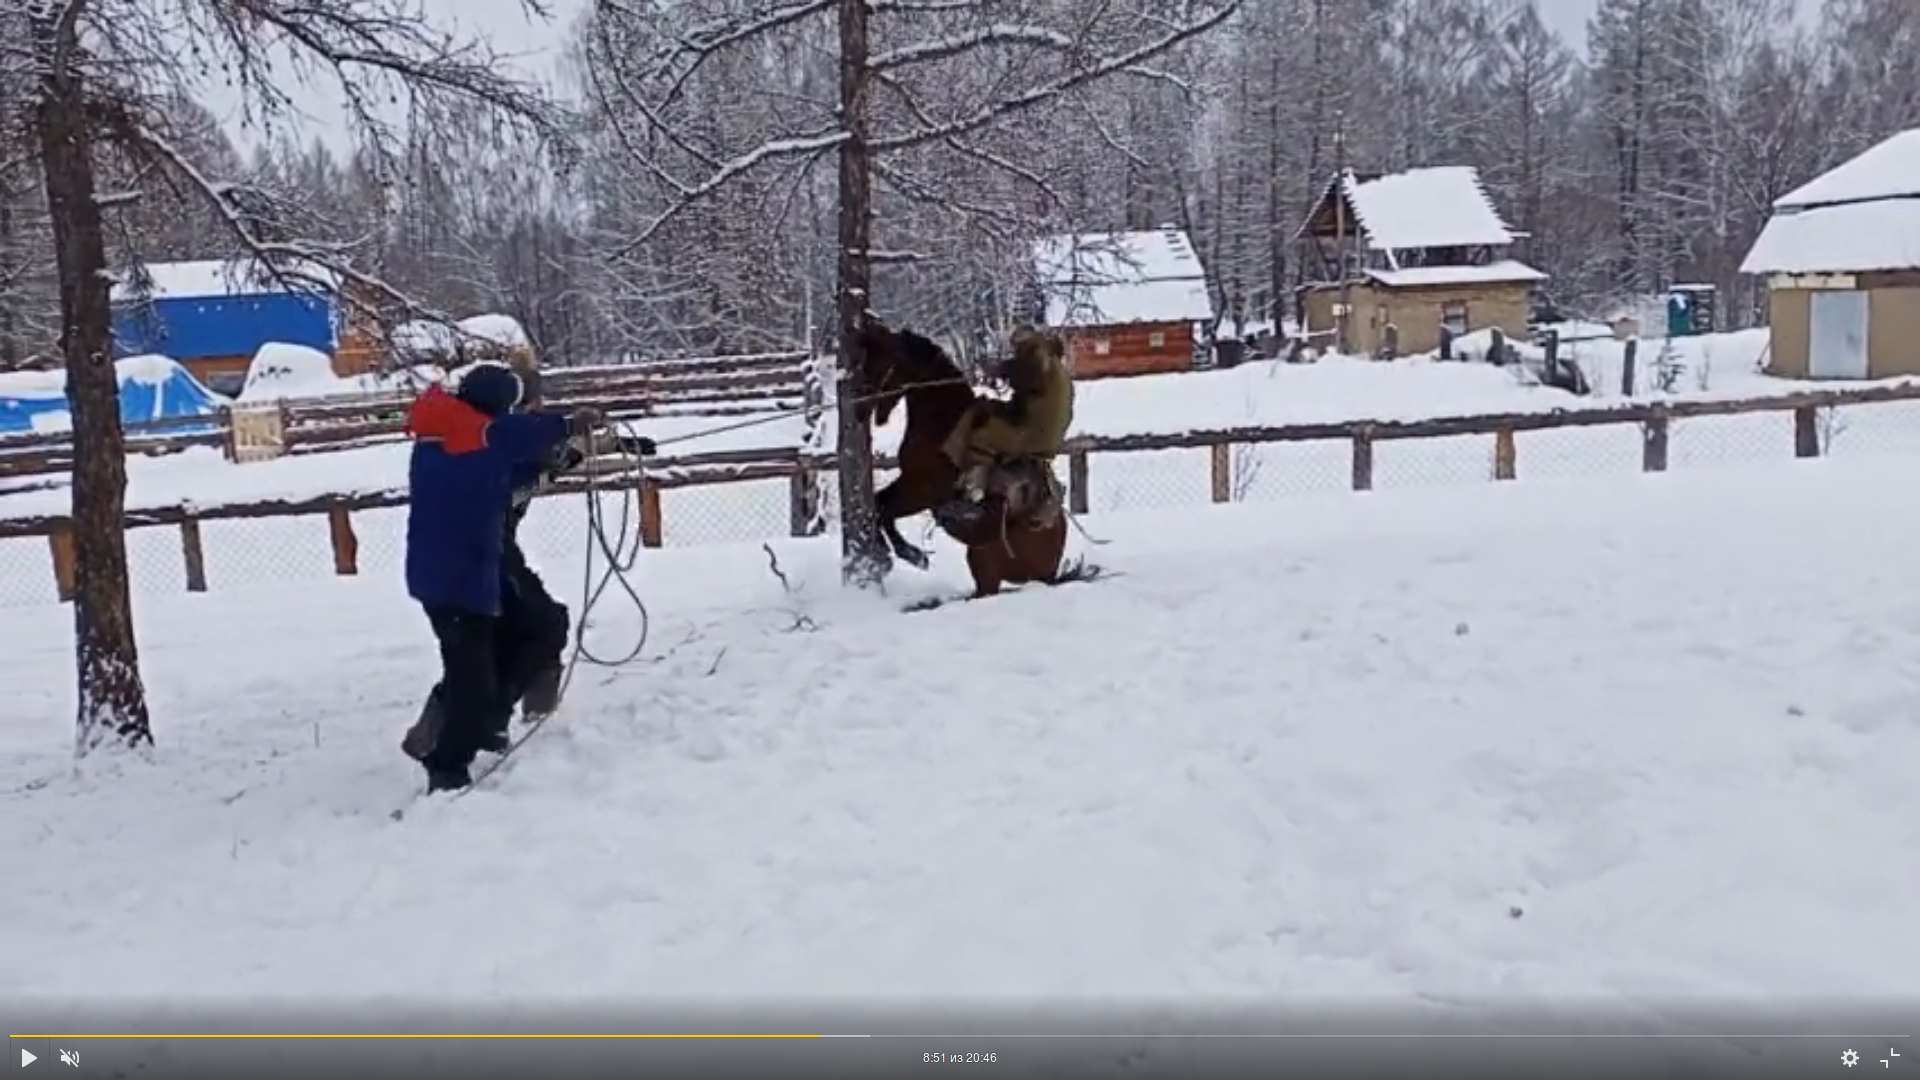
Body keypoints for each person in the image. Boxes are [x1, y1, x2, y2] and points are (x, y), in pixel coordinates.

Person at [400, 362, 597, 793]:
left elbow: (503, 473)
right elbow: (511, 438)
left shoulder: (458, 439)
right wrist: (568, 424)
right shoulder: (462, 430)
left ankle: (482, 731)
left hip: (470, 572)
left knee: (527, 636)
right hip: (453, 579)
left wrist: (562, 459)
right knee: (472, 679)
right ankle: (447, 766)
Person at [943, 325, 1076, 503]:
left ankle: (973, 491)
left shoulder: (1039, 357)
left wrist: (1000, 369)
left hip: (1033, 435)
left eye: (1016, 348)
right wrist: (991, 406)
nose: (1014, 352)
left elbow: (1029, 372)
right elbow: (1027, 403)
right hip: (1044, 432)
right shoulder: (1054, 365)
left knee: (981, 435)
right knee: (988, 415)